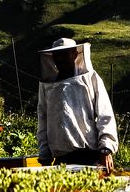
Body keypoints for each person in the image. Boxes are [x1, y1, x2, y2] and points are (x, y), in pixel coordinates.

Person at [37, 37, 118, 172]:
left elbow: (105, 113)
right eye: (57, 55)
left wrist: (106, 148)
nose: (60, 59)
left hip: (90, 156)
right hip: (61, 159)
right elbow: (43, 119)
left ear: (75, 54)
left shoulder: (90, 78)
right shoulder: (48, 86)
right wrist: (44, 155)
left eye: (64, 54)